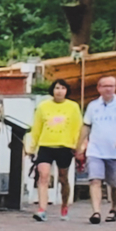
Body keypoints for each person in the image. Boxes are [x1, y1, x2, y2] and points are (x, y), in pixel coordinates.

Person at [79, 74, 116, 224]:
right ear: (99, 88)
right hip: (95, 150)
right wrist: (79, 145)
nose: (109, 89)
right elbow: (86, 125)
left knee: (115, 184)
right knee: (95, 180)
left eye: (112, 86)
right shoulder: (93, 106)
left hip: (115, 152)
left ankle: (114, 208)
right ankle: (96, 212)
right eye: (105, 86)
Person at [28, 82, 82, 223]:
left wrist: (78, 147)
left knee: (63, 178)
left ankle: (64, 206)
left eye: (63, 88)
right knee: (43, 176)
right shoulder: (43, 106)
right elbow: (36, 128)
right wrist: (31, 147)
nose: (59, 91)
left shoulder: (73, 107)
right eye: (57, 88)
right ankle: (42, 209)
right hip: (46, 145)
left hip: (65, 146)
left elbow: (78, 127)